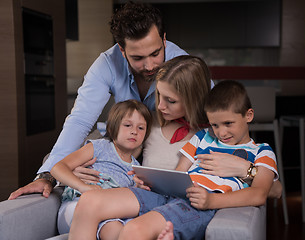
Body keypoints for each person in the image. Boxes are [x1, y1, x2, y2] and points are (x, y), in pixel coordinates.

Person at [8, 1, 187, 200]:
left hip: (164, 149)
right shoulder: (107, 64)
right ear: (121, 49)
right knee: (58, 161)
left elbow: (214, 113)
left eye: (155, 53)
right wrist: (47, 175)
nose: (149, 65)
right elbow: (80, 120)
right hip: (123, 149)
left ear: (164, 39)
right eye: (137, 58)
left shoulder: (183, 64)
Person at [67, 80, 278, 240]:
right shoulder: (203, 137)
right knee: (89, 201)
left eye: (228, 123)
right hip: (169, 194)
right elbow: (179, 173)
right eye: (215, 125)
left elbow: (259, 194)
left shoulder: (261, 151)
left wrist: (212, 201)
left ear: (248, 115)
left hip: (198, 205)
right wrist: (153, 181)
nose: (221, 132)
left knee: (134, 229)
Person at [50, 99, 152, 234]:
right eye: (128, 125)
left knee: (121, 229)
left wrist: (138, 189)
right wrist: (84, 187)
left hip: (110, 215)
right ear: (111, 128)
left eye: (141, 128)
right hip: (78, 206)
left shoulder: (137, 167)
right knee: (113, 227)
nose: (134, 131)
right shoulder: (99, 147)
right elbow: (57, 168)